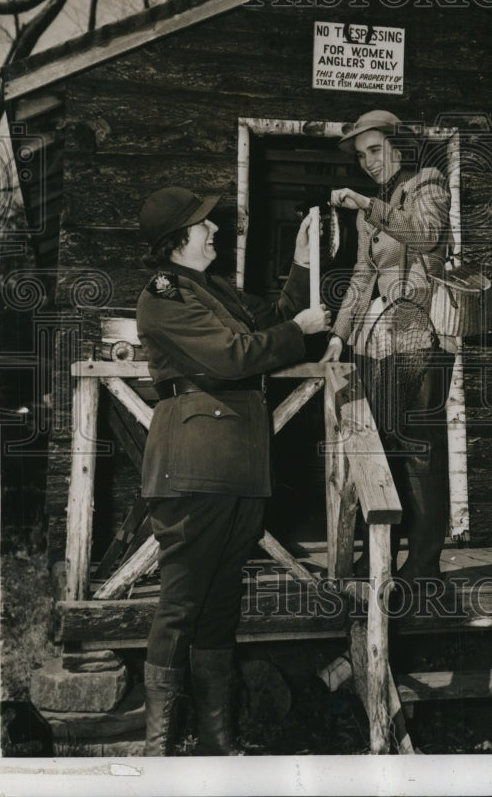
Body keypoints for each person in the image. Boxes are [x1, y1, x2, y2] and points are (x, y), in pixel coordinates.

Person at [136, 186, 330, 756]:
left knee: (220, 610)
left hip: (239, 468)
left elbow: (269, 320)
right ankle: (158, 752)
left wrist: (300, 263)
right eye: (203, 224)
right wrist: (304, 329)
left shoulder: (211, 288)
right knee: (180, 607)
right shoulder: (165, 294)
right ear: (176, 241)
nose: (214, 229)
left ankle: (219, 746)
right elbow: (234, 354)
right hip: (193, 467)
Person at [320, 110, 455, 587]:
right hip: (381, 339)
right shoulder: (373, 204)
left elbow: (426, 235)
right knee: (384, 449)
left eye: (375, 150)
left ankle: (424, 566)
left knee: (420, 451)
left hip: (423, 333)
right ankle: (380, 557)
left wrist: (366, 205)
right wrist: (339, 335)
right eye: (361, 155)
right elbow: (363, 276)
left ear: (398, 146)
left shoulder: (429, 184)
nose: (368, 162)